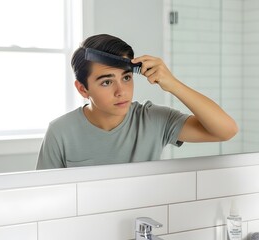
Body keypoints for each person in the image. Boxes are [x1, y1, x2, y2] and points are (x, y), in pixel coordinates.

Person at [37, 34, 238, 169]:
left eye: (126, 78)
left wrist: (173, 84)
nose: (121, 91)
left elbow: (226, 130)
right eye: (107, 82)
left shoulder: (152, 119)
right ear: (82, 89)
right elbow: (45, 197)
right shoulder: (60, 132)